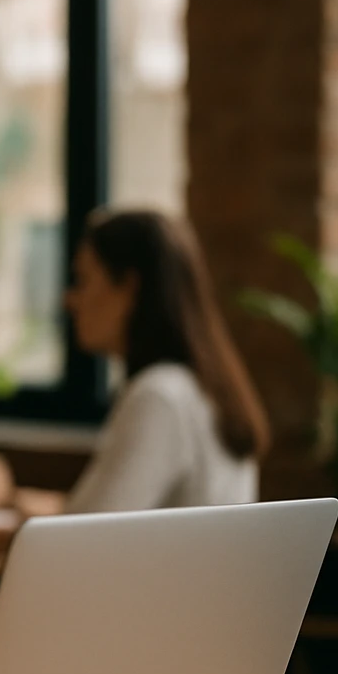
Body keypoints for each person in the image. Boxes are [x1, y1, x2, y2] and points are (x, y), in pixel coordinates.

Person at [53, 209, 270, 513]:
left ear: (129, 287)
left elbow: (88, 533)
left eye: (83, 279)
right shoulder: (199, 388)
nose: (70, 299)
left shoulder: (159, 396)